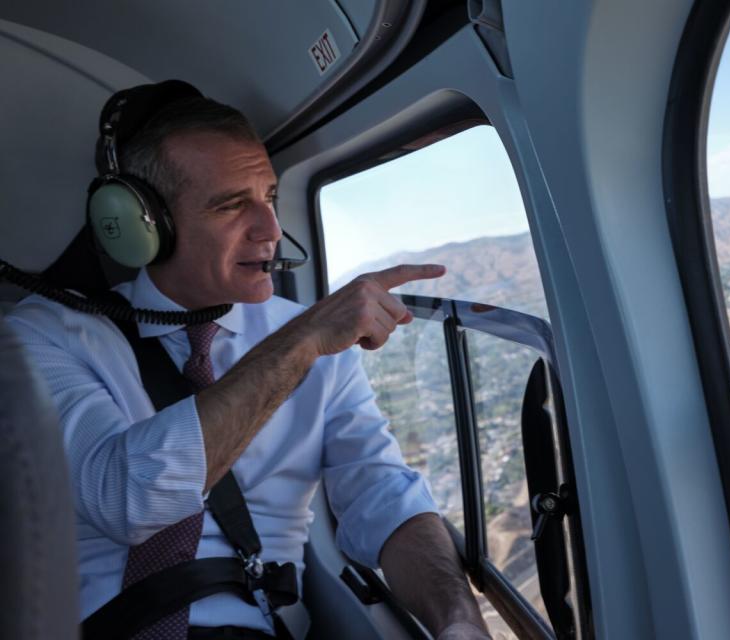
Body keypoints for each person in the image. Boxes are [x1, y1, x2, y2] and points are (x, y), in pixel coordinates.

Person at [7, 82, 490, 639]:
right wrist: (300, 344)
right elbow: (128, 498)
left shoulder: (316, 345)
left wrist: (459, 623)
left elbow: (382, 497)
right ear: (145, 227)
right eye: (232, 205)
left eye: (270, 197)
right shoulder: (44, 337)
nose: (270, 231)